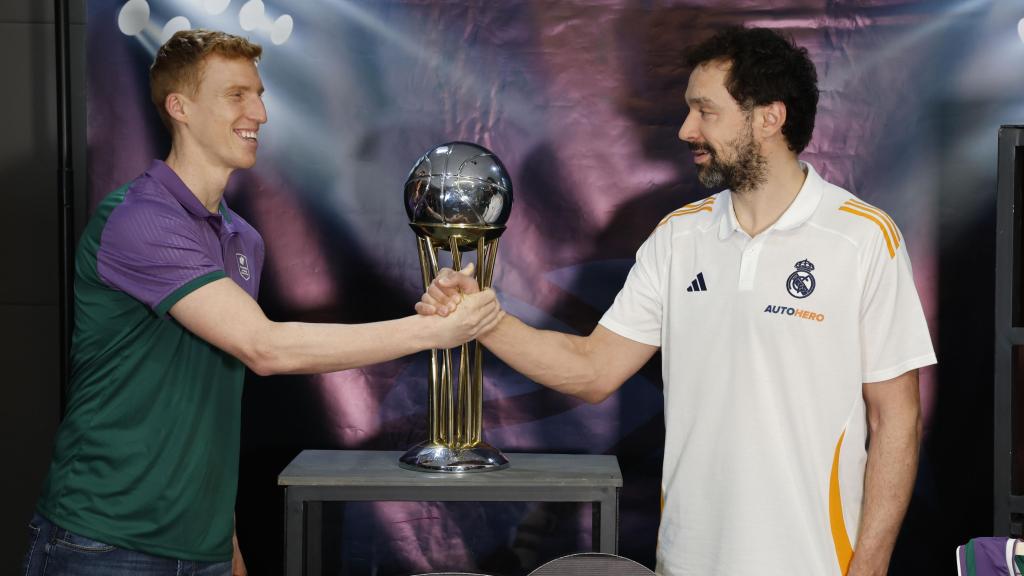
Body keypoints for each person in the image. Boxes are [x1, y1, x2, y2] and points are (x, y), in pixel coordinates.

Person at [418, 26, 935, 576]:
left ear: (769, 117)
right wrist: (484, 317)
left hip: (815, 560)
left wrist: (872, 563)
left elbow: (896, 418)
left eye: (705, 111)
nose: (687, 128)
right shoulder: (678, 237)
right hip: (687, 560)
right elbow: (592, 370)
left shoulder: (861, 238)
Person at [24, 29, 502, 576]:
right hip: (103, 545)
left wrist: (223, 540)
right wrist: (433, 331)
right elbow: (265, 348)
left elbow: (204, 404)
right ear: (179, 107)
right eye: (236, 95)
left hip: (199, 549)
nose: (260, 113)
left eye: (259, 93)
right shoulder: (140, 220)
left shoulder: (242, 237)